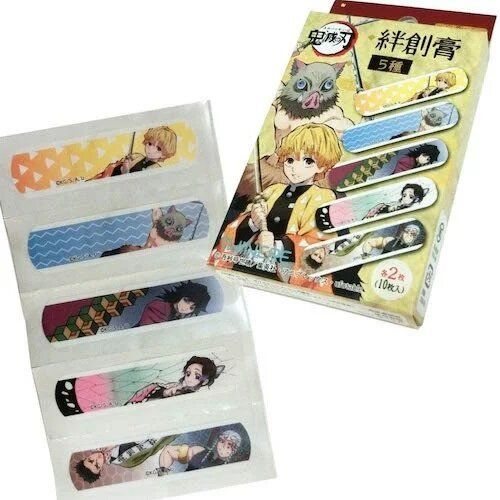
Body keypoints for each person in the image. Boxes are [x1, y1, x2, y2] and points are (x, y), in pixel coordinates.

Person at [126, 356, 224, 404]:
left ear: (205, 381)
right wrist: (164, 392)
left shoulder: (193, 398)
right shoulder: (172, 385)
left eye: (197, 376)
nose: (189, 378)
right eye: (188, 373)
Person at [91, 126, 177, 179]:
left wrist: (126, 172)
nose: (151, 149)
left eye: (158, 148)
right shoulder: (136, 156)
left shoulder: (156, 169)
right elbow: (115, 170)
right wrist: (121, 167)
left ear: (164, 154)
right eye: (150, 144)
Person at [137, 281, 210, 326]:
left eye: (191, 308)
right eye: (186, 300)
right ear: (180, 296)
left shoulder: (178, 316)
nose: (185, 308)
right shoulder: (158, 306)